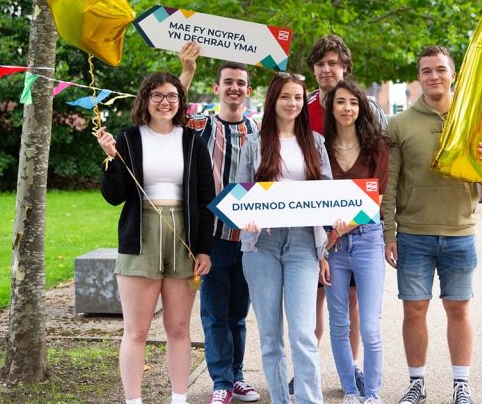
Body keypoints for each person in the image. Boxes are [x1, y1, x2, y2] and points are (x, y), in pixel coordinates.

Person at [381, 46, 482, 404]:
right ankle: (417, 384)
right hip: (413, 235)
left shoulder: (475, 120)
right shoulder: (400, 124)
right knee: (414, 309)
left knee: (459, 309)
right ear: (418, 77)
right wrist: (389, 233)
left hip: (460, 233)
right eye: (426, 71)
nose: (433, 76)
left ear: (453, 74)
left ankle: (461, 386)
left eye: (440, 70)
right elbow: (390, 185)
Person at [96, 72, 215, 404]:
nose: (166, 102)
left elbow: (206, 198)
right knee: (137, 331)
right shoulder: (129, 138)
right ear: (145, 100)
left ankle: (179, 398)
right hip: (140, 234)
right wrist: (109, 158)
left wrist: (203, 248)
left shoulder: (192, 141)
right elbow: (114, 195)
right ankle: (133, 400)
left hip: (184, 235)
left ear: (180, 102)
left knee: (178, 329)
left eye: (172, 96)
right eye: (158, 96)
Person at [236, 72, 332, 404]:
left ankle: (309, 399)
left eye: (297, 97)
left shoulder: (316, 142)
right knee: (271, 336)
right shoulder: (254, 143)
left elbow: (329, 195)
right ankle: (280, 399)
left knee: (304, 334)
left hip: (304, 244)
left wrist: (326, 246)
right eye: (285, 97)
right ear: (272, 101)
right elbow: (241, 195)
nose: (292, 103)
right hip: (262, 245)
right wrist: (244, 219)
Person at [301, 34, 387, 395]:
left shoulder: (370, 112)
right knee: (314, 301)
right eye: (320, 64)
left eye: (333, 63)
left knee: (355, 308)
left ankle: (354, 374)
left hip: (360, 232)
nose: (326, 69)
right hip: (316, 227)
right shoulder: (304, 110)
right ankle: (310, 371)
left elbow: (379, 185)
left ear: (345, 67)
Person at [178, 42, 261, 404]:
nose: (234, 88)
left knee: (238, 314)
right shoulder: (202, 124)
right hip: (211, 238)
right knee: (213, 313)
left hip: (247, 238)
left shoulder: (259, 130)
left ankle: (238, 376)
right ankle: (221, 382)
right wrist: (187, 71)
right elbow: (170, 108)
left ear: (248, 90)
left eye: (241, 83)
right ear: (216, 88)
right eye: (228, 82)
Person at [318, 80, 389, 404]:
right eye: (340, 102)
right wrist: (326, 242)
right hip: (331, 246)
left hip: (367, 240)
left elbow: (380, 198)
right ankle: (349, 389)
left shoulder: (376, 146)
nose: (347, 108)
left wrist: (344, 229)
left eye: (353, 103)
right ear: (331, 109)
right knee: (339, 323)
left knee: (370, 326)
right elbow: (313, 198)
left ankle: (372, 393)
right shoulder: (319, 146)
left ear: (361, 108)